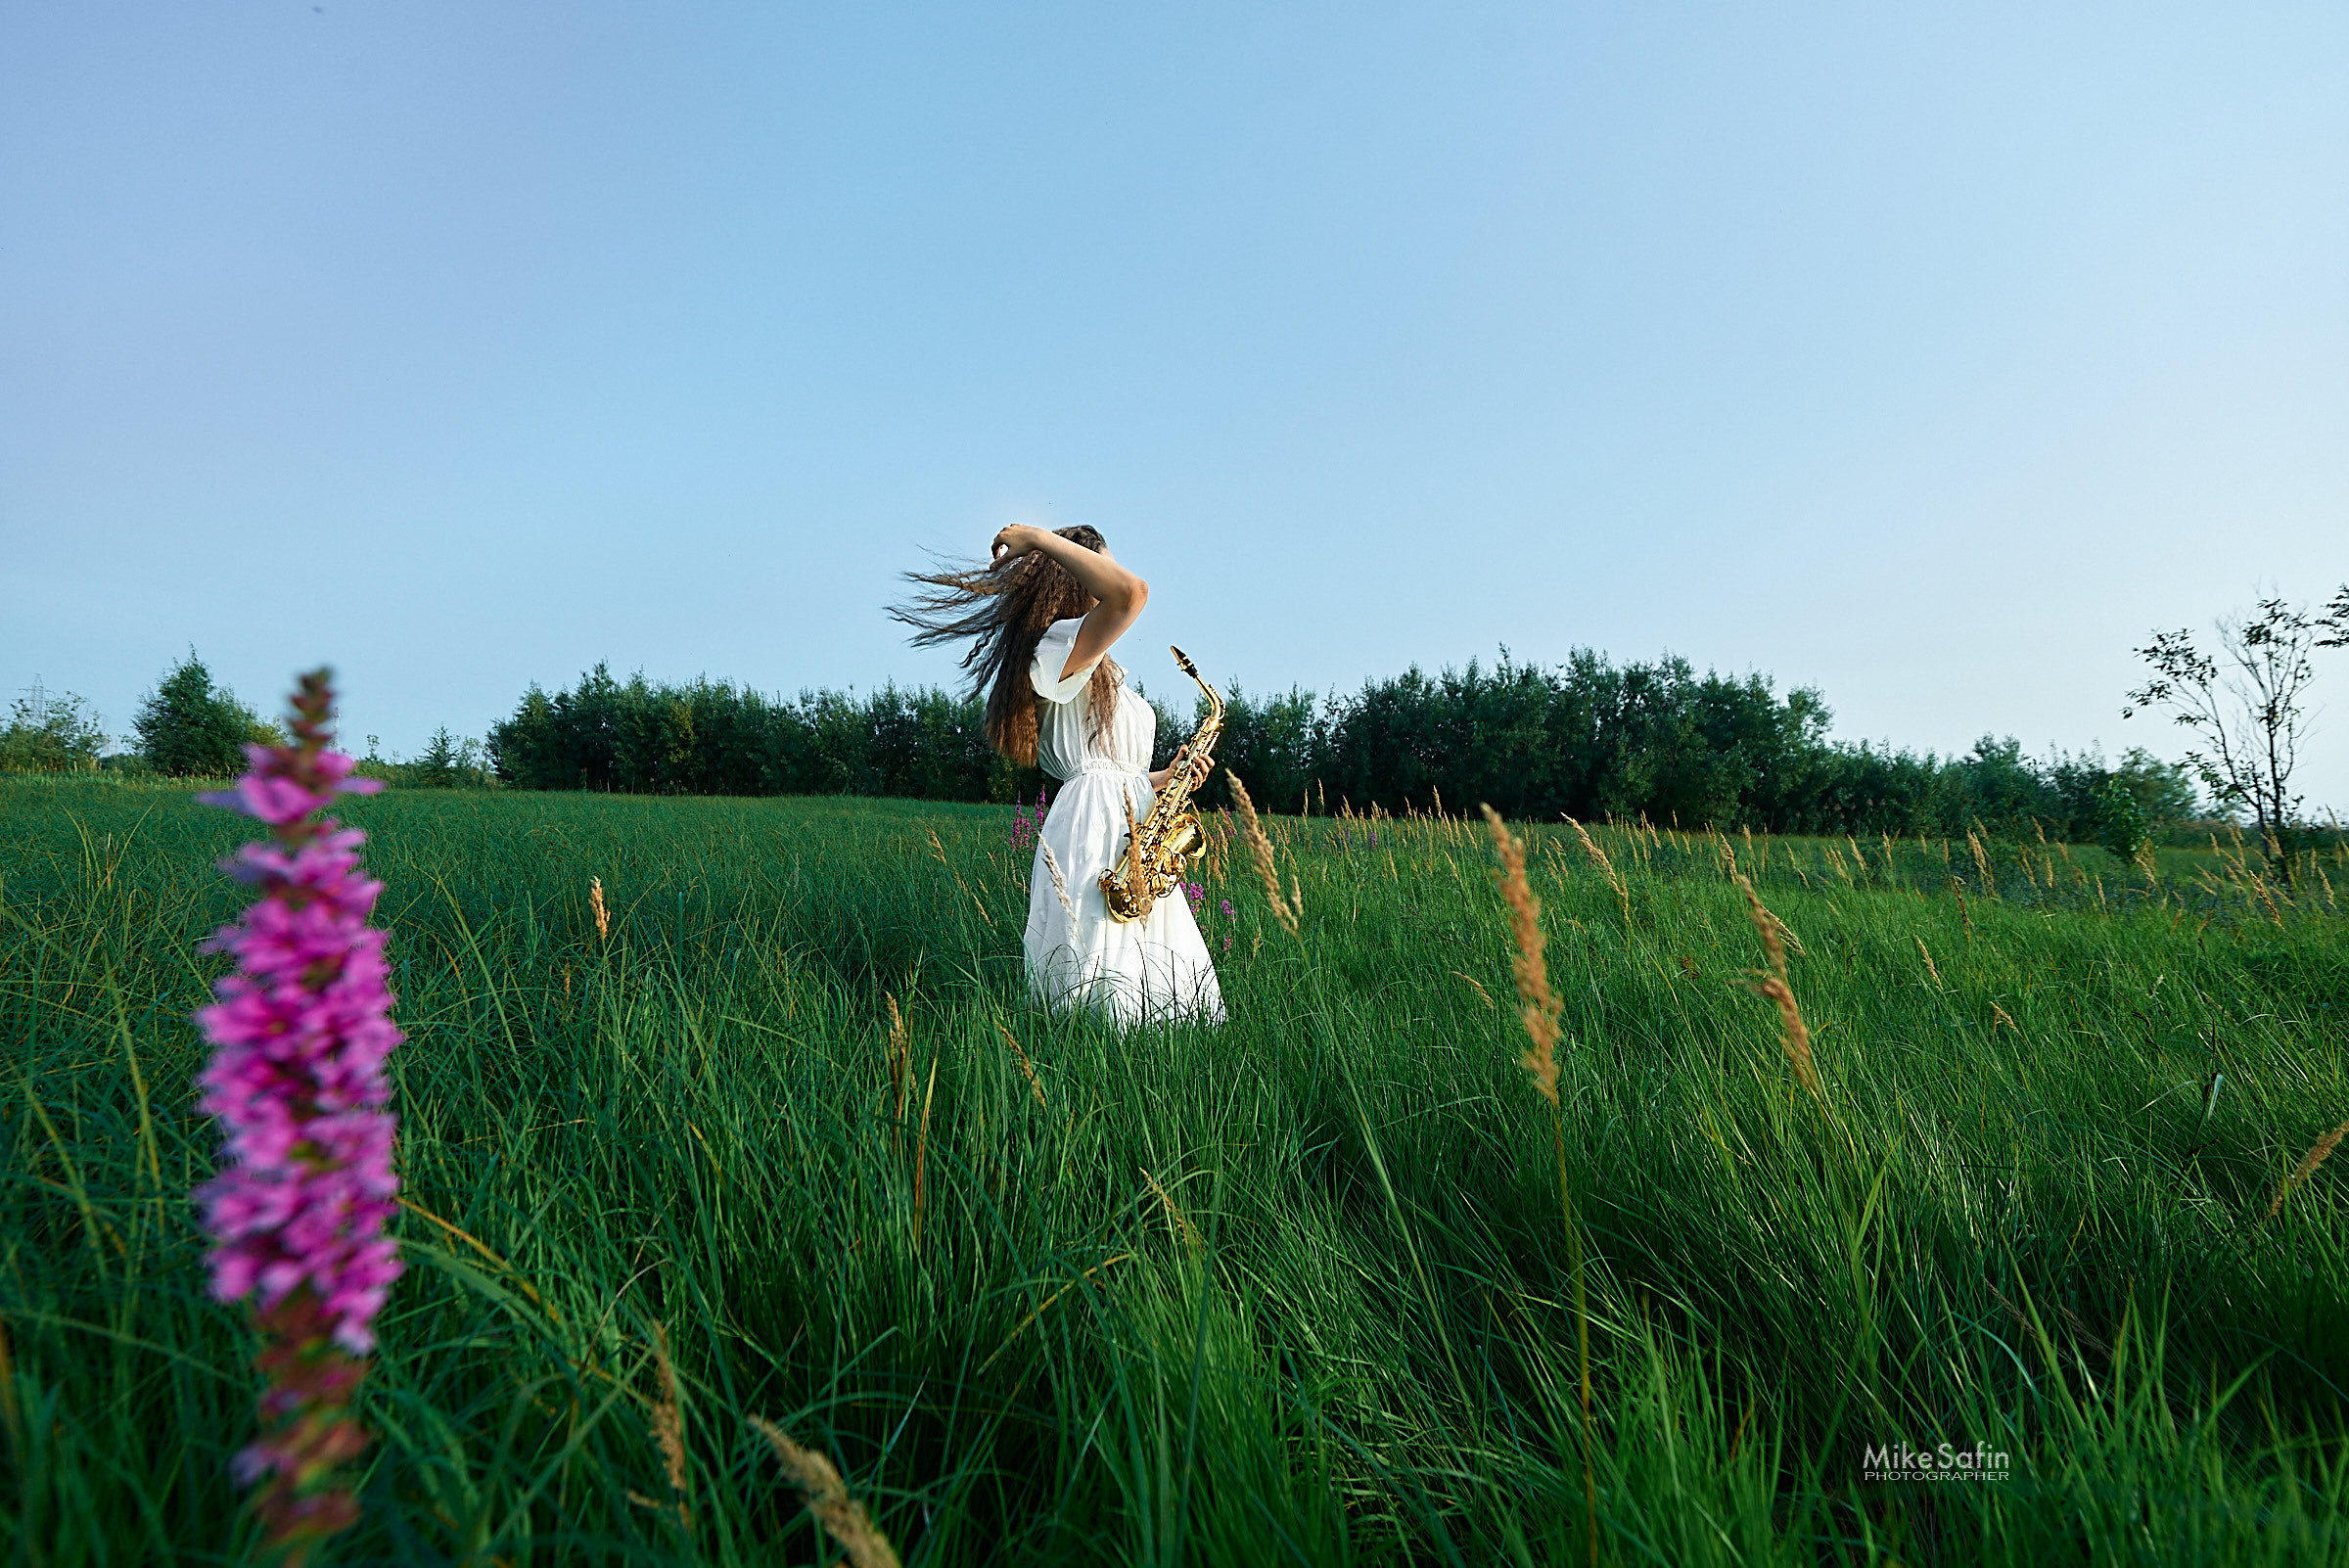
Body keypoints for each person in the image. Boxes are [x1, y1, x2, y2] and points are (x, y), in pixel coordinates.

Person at [895, 524, 1225, 1026]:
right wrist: (1039, 539)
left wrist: (1165, 777)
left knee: (1152, 979)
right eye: (1104, 566)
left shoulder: (1096, 661)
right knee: (1098, 969)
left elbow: (1111, 768)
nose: (1115, 575)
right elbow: (1134, 592)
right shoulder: (1058, 646)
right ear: (1075, 574)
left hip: (1136, 823)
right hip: (1092, 826)